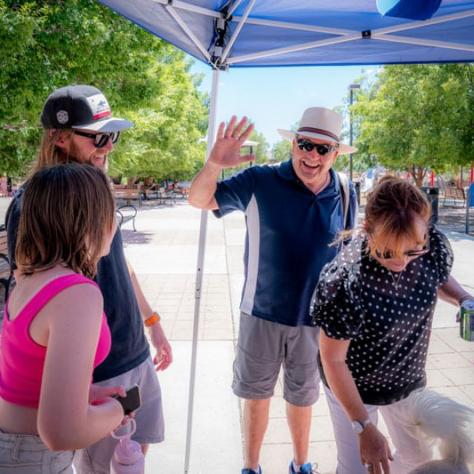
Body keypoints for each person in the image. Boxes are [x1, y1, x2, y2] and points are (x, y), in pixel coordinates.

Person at [4, 84, 172, 473]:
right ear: (60, 137)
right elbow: (34, 296)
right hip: (94, 365)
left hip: (132, 352)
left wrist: (151, 321)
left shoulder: (97, 192)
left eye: (112, 135)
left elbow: (121, 263)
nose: (108, 146)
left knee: (134, 458)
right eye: (98, 136)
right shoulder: (33, 206)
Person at [188, 108, 358, 474]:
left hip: (315, 320)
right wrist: (215, 163)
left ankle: (301, 464)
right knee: (256, 396)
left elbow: (348, 253)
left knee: (302, 397)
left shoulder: (345, 190)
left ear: (334, 153)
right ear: (293, 144)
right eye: (304, 144)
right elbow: (199, 200)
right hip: (261, 312)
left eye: (322, 148)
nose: (311, 155)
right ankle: (251, 467)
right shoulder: (259, 181)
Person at [310, 177, 474, 474]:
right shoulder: (347, 280)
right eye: (387, 252)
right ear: (367, 230)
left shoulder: (430, 246)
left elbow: (437, 277)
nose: (401, 262)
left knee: (416, 459)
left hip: (406, 380)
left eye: (412, 251)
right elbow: (332, 359)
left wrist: (463, 298)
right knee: (357, 468)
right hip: (355, 386)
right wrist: (363, 427)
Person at [0, 163, 127, 473]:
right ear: (95, 222)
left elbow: (27, 370)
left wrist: (83, 395)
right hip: (34, 459)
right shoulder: (77, 294)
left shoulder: (29, 278)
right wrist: (118, 409)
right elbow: (61, 433)